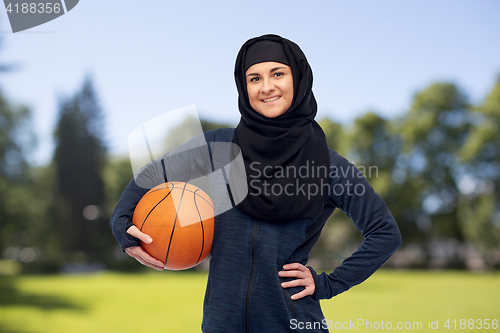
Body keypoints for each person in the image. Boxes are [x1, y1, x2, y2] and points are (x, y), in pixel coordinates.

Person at [111, 34, 402, 332]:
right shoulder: (217, 147)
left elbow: (384, 233)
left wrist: (326, 283)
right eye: (254, 78)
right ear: (243, 86)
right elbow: (151, 175)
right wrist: (122, 227)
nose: (266, 87)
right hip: (220, 325)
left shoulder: (328, 166)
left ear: (298, 79)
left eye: (278, 74)